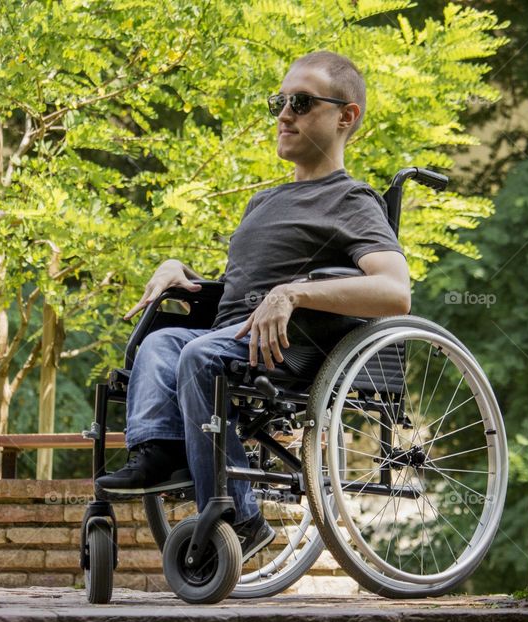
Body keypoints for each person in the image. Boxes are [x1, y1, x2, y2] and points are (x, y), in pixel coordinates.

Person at [95, 51, 412, 563]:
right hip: (227, 335)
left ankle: (241, 518)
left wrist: (293, 294)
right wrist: (184, 274)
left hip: (293, 346)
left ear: (346, 116)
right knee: (160, 342)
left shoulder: (351, 200)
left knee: (197, 355)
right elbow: (238, 291)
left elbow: (394, 292)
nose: (284, 114)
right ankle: (160, 455)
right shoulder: (262, 202)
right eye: (280, 102)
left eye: (302, 102)